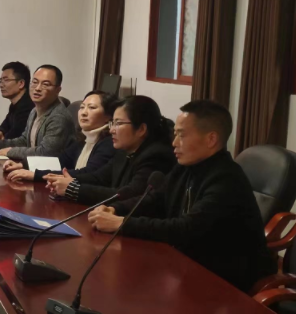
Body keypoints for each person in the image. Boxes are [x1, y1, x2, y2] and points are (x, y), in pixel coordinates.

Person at [88, 100, 276, 291]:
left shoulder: (226, 180)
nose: (174, 143)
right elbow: (155, 200)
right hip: (185, 266)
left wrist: (121, 223)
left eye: (182, 135)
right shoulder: (186, 167)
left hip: (225, 283)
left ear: (211, 139)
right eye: (175, 134)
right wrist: (114, 209)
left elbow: (185, 229)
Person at [46, 95, 177, 206]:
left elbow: (128, 194)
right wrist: (62, 180)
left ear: (141, 129)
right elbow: (98, 178)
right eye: (112, 123)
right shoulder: (124, 150)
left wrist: (73, 189)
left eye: (118, 123)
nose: (112, 130)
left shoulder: (157, 156)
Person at [4, 90, 117, 183]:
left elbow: (85, 173)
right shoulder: (83, 139)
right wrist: (23, 165)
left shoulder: (109, 143)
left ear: (108, 116)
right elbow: (59, 161)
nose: (83, 113)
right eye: (82, 107)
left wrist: (36, 175)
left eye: (92, 108)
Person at [0, 65, 76, 161]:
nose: (37, 88)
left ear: (57, 90)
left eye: (45, 84)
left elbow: (46, 153)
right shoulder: (34, 111)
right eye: (35, 82)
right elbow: (25, 140)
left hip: (52, 169)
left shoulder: (58, 117)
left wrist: (11, 151)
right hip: (35, 165)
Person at [0, 62, 34, 140]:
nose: (1, 85)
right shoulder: (15, 105)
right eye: (1, 81)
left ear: (21, 83)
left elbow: (14, 138)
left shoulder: (28, 107)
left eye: (6, 80)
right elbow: (5, 125)